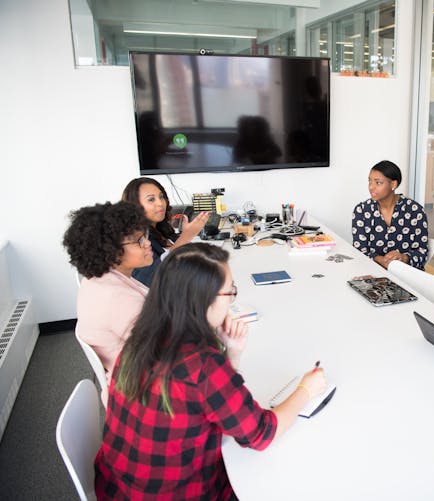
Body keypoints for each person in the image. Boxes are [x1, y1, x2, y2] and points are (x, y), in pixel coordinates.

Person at [95, 243, 327, 499]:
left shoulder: (141, 338)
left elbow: (207, 400)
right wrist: (306, 389)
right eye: (230, 293)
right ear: (204, 300)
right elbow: (261, 433)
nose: (232, 301)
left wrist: (232, 352)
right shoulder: (201, 364)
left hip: (118, 488)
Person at [62, 201, 152, 376]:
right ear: (110, 249)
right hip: (143, 385)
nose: (147, 243)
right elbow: (164, 352)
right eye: (138, 241)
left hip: (131, 371)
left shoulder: (98, 280)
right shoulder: (117, 298)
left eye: (144, 235)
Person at [122, 177, 209, 286]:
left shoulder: (164, 230)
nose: (160, 203)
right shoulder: (135, 242)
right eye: (151, 199)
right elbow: (155, 280)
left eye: (161, 197)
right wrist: (186, 237)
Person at [352, 160, 429, 270]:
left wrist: (403, 257)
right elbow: (359, 251)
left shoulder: (415, 211)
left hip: (407, 276)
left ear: (393, 184)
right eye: (370, 181)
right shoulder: (362, 211)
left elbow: (422, 252)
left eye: (378, 183)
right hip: (373, 273)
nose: (371, 187)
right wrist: (381, 260)